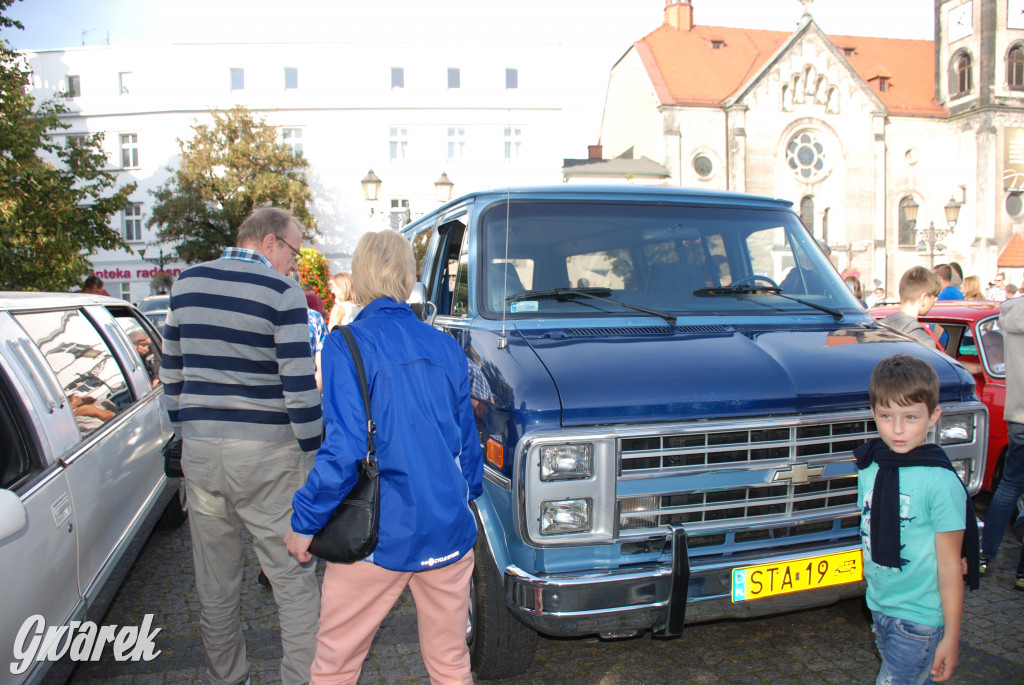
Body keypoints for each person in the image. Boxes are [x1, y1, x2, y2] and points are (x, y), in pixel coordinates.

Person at [285, 229, 482, 685]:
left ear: (359, 277)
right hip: (446, 530)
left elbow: (344, 450)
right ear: (409, 278)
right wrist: (463, 498)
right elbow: (466, 446)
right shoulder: (446, 347)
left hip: (375, 537)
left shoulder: (345, 344)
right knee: (451, 663)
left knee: (335, 666)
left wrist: (304, 521)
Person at [161, 206, 323, 685]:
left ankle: (228, 678)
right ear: (270, 242)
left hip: (203, 454)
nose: (295, 263)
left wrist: (186, 433)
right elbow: (299, 389)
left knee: (215, 585)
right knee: (292, 579)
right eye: (294, 251)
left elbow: (171, 376)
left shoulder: (186, 284)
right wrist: (313, 454)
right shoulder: (282, 292)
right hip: (268, 457)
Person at [856, 354, 979, 685]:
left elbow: (950, 563)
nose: (897, 429)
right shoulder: (870, 467)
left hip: (919, 618)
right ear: (873, 413)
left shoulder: (939, 482)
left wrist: (951, 637)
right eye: (887, 416)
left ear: (933, 416)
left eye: (910, 417)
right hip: (879, 605)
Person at [980, 295, 1024, 591]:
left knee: (1008, 486)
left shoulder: (1012, 312)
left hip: (1018, 412)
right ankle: (1022, 573)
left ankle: (985, 555)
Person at [878, 266, 942, 350]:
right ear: (924, 298)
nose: (934, 301)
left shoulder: (876, 330)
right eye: (934, 297)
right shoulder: (924, 342)